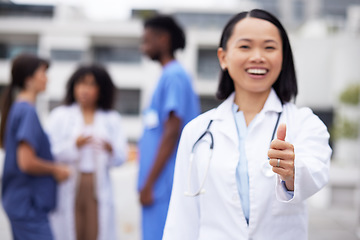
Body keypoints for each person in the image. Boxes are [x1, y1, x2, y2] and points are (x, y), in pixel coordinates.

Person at [163, 9, 332, 240]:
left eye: (269, 47)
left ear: (283, 58)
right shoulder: (198, 131)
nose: (258, 57)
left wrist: (292, 172)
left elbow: (316, 173)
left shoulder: (304, 123)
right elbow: (182, 216)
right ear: (223, 57)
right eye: (245, 46)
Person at [47, 64, 128, 240]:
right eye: (81, 84)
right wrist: (74, 145)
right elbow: (50, 152)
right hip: (69, 181)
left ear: (101, 89)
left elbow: (121, 157)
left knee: (95, 230)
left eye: (92, 84)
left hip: (96, 185)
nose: (85, 90)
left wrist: (110, 149)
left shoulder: (111, 118)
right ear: (73, 87)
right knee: (70, 230)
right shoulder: (60, 116)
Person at [138, 15, 200, 240]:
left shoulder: (174, 76)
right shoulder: (169, 75)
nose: (142, 47)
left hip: (162, 184)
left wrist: (149, 183)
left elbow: (171, 132)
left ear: (163, 39)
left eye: (146, 40)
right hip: (160, 182)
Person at [0, 53, 70, 240]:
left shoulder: (18, 108)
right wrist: (56, 169)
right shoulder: (27, 111)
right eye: (43, 73)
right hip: (28, 204)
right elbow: (26, 162)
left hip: (20, 202)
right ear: (29, 79)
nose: (47, 78)